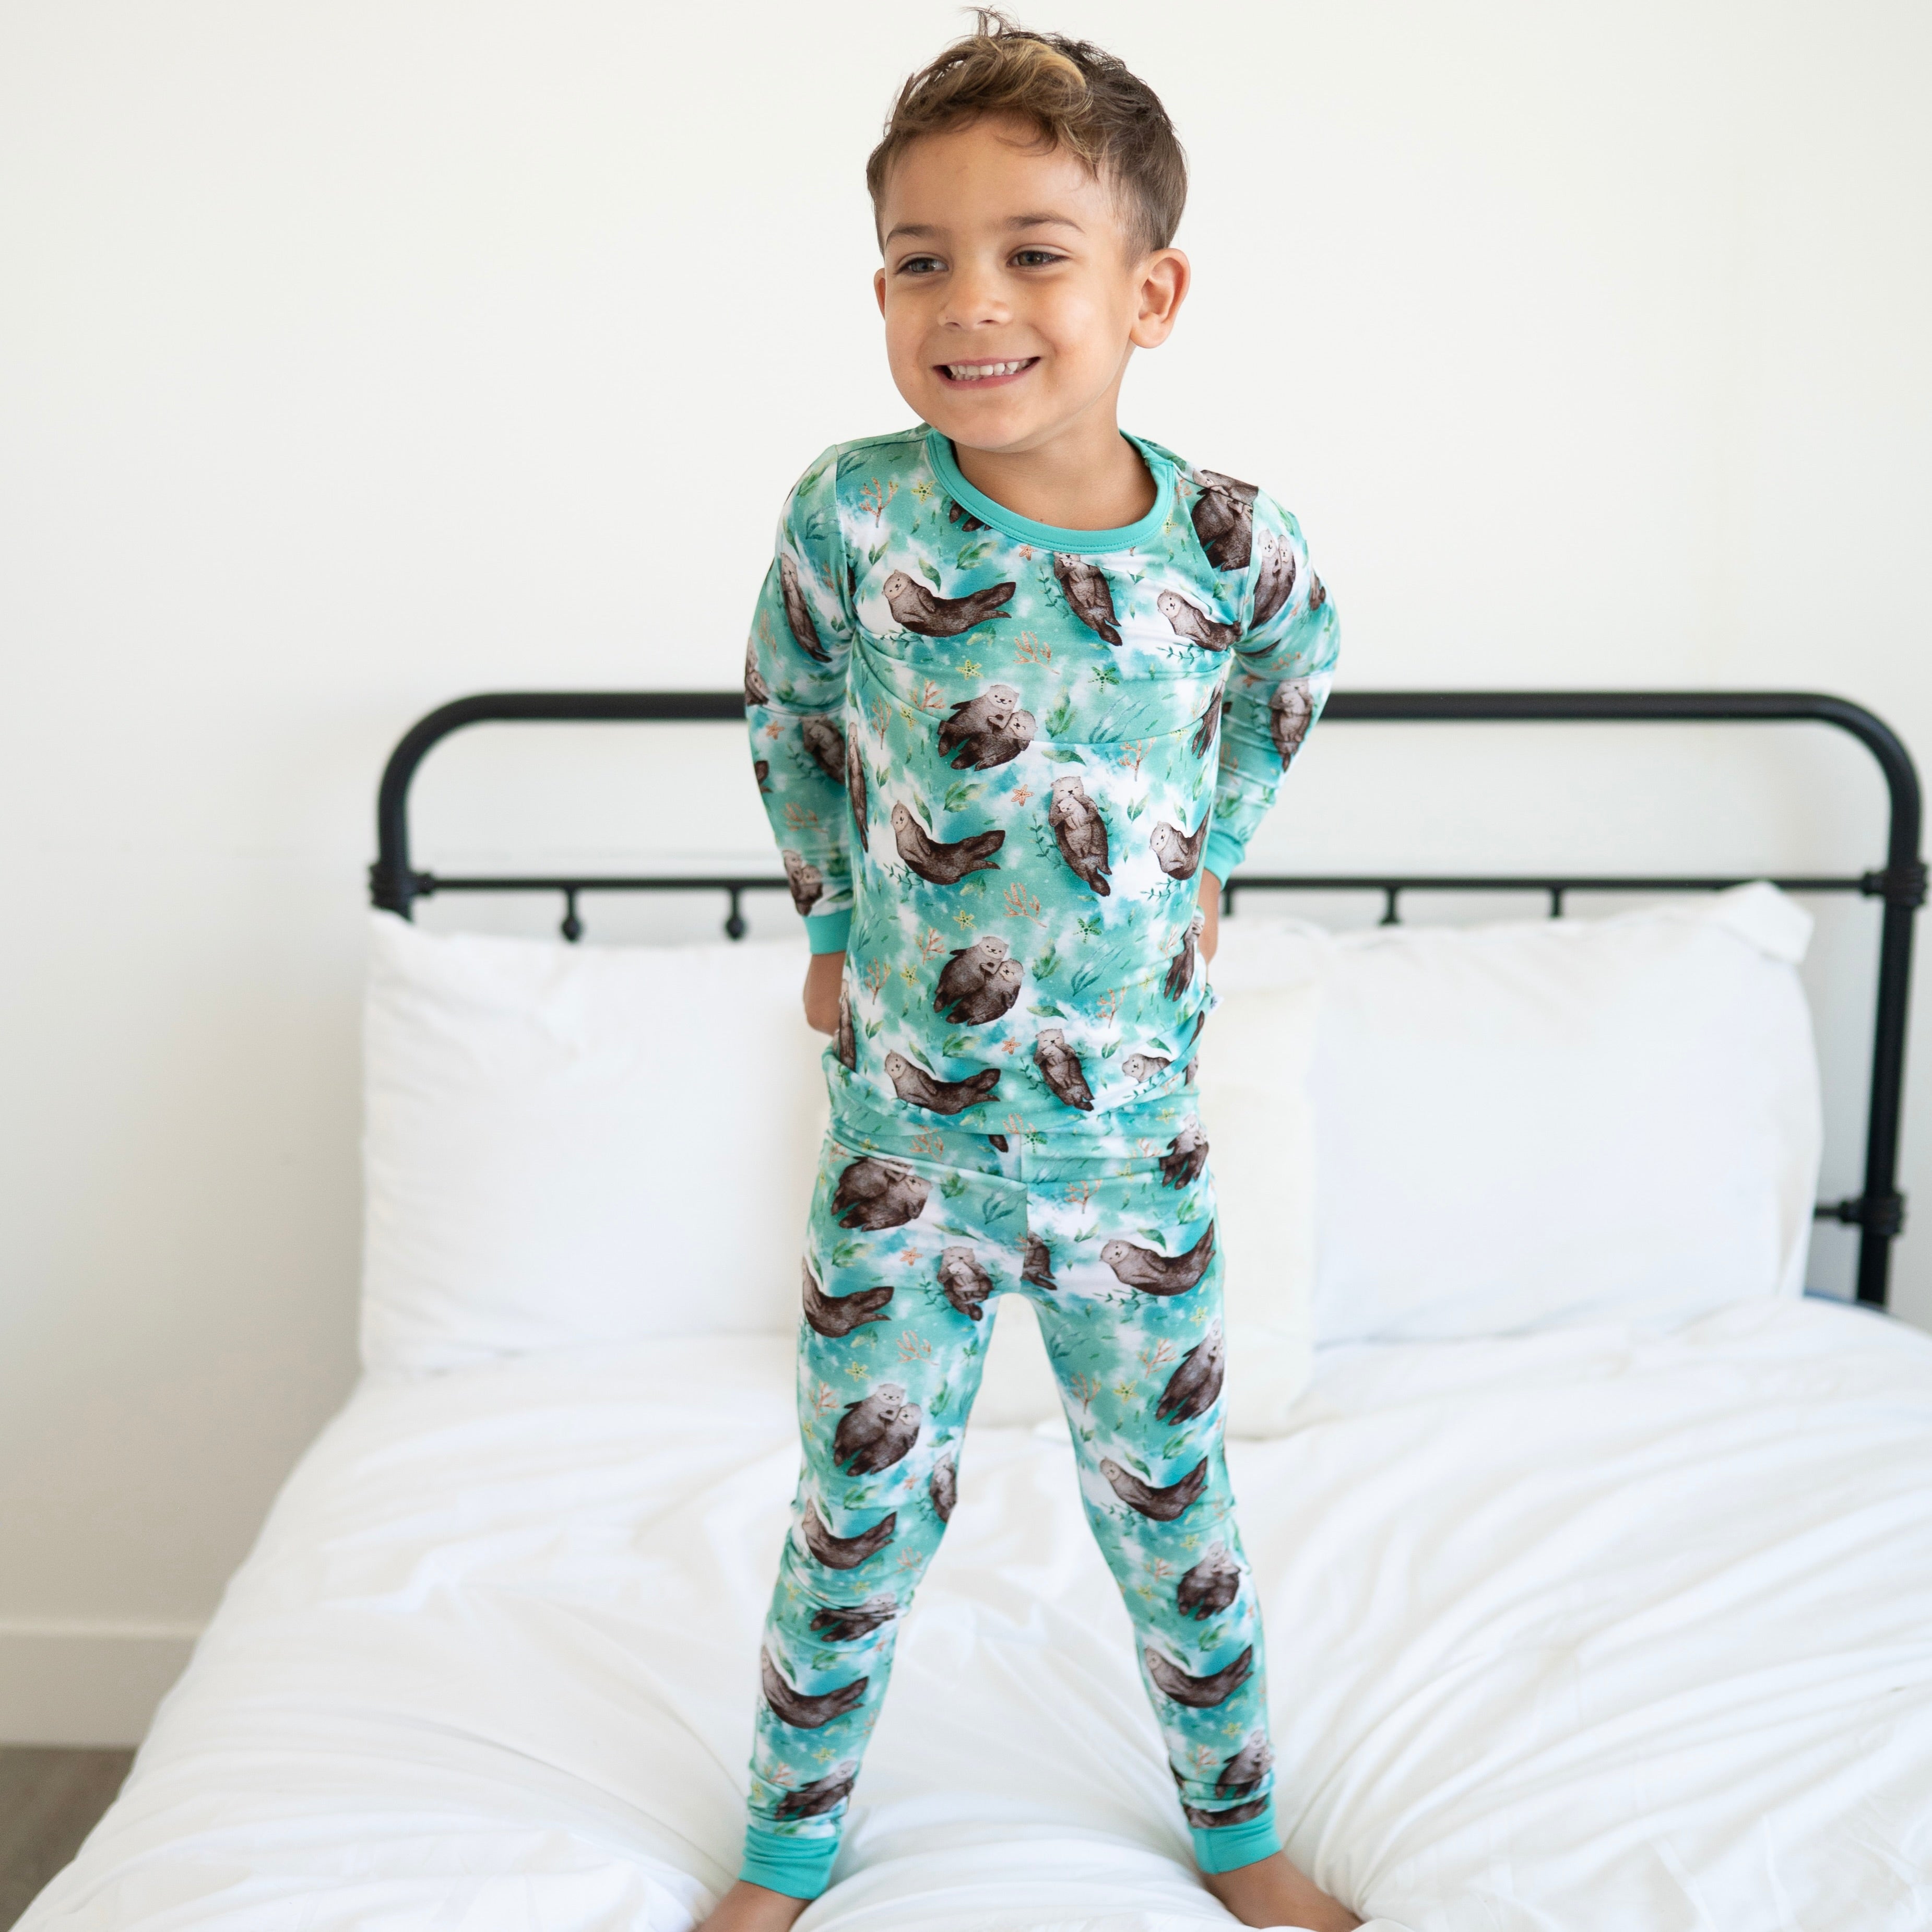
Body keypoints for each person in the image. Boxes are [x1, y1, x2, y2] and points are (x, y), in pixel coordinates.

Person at [706, 15, 1347, 1929]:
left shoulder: (1234, 547)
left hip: (1127, 1156)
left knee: (1176, 1512)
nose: (969, 301)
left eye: (1032, 253)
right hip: (904, 1150)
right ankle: (786, 1853)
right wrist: (831, 914)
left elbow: (1293, 688)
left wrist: (1207, 861)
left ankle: (1239, 1838)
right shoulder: (853, 512)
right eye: (921, 259)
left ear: (1149, 291)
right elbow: (792, 710)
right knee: (857, 1518)